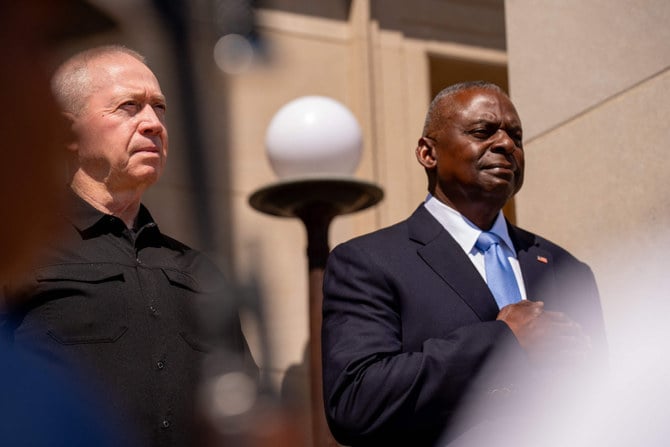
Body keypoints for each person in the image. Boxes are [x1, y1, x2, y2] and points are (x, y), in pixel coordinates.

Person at [321, 81, 607, 446]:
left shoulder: (567, 270)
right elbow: (356, 401)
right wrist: (501, 341)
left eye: (515, 137)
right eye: (482, 131)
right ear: (428, 152)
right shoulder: (368, 261)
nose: (506, 145)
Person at [2, 45, 254, 447]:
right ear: (69, 133)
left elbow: (243, 406)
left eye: (159, 108)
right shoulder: (19, 258)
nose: (153, 123)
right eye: (129, 107)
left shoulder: (199, 270)